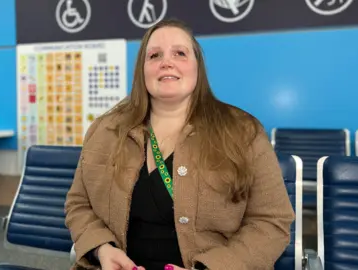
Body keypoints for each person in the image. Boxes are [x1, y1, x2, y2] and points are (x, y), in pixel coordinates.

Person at [65, 18, 295, 270]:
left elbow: (271, 222)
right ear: (142, 70)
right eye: (154, 56)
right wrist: (101, 249)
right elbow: (78, 204)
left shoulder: (244, 132)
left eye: (180, 53)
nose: (166, 62)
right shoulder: (104, 130)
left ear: (198, 67)